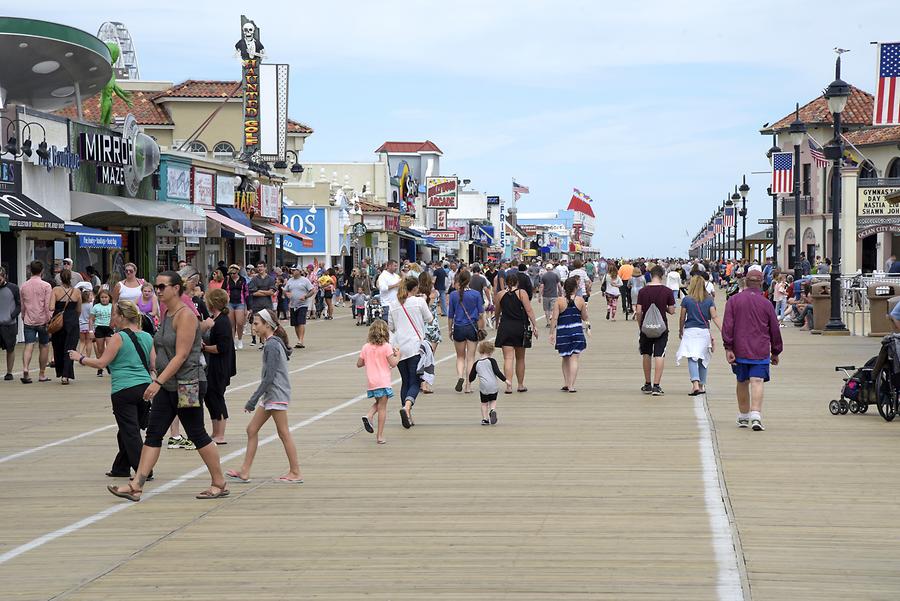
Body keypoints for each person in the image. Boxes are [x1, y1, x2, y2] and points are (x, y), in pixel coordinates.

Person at [107, 271, 228, 502]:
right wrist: (156, 373)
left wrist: (157, 382)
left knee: (197, 433)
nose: (158, 291)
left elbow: (181, 355)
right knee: (153, 433)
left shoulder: (186, 316)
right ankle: (136, 485)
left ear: (176, 288)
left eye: (162, 287)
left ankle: (219, 482)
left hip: (188, 383)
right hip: (167, 384)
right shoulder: (166, 313)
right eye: (157, 287)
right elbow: (162, 349)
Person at [69, 300, 154, 479]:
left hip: (124, 389)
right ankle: (120, 468)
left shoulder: (118, 337)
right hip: (145, 387)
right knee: (127, 430)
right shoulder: (147, 336)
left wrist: (80, 358)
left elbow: (102, 362)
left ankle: (143, 470)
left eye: (114, 314)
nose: (112, 317)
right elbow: (153, 364)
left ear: (122, 317)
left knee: (130, 431)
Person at [225, 309, 303, 484]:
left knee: (284, 433)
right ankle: (244, 471)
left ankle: (295, 472)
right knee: (251, 430)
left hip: (276, 394)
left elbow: (269, 377)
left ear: (267, 325)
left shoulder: (272, 345)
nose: (253, 327)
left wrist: (252, 400)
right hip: (271, 395)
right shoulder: (272, 343)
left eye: (256, 324)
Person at [722, 265, 783, 431]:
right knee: (757, 381)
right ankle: (756, 415)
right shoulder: (766, 304)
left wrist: (728, 347)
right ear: (762, 283)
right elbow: (774, 329)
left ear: (746, 282)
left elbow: (727, 326)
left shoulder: (733, 301)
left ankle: (743, 416)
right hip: (760, 349)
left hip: (739, 349)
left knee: (742, 381)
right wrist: (776, 351)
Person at [389, 276, 433, 429]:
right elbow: (430, 319)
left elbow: (391, 326)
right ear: (415, 288)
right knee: (416, 381)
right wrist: (427, 300)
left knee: (405, 381)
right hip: (415, 346)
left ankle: (407, 414)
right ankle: (406, 408)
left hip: (399, 347)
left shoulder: (394, 303)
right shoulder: (419, 301)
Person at [676, 276, 723, 396]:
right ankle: (701, 385)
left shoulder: (686, 299)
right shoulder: (709, 300)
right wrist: (723, 330)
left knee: (692, 357)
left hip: (690, 331)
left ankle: (695, 384)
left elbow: (682, 317)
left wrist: (680, 330)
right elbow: (714, 316)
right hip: (704, 332)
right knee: (703, 358)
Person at [494, 271, 539, 394]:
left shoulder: (500, 294)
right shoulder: (521, 293)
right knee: (520, 358)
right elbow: (529, 310)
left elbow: (497, 311)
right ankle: (520, 385)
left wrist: (496, 323)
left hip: (505, 327)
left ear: (506, 282)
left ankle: (508, 386)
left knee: (508, 358)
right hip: (520, 327)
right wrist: (535, 325)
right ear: (517, 282)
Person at [202, 288, 236, 445]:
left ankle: (220, 434)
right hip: (211, 365)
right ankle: (215, 431)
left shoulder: (222, 321)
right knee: (210, 398)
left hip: (219, 366)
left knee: (217, 397)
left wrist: (204, 347)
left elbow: (221, 347)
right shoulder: (212, 318)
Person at [635, 265, 675, 396]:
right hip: (661, 327)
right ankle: (656, 386)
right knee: (659, 354)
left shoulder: (643, 291)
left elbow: (639, 311)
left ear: (650, 275)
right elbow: (672, 311)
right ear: (662, 276)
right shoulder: (667, 291)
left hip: (646, 327)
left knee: (646, 354)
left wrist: (640, 325)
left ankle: (647, 384)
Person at [359, 320, 401, 444]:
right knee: (382, 407)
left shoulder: (366, 347)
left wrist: (368, 359)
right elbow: (393, 364)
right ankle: (379, 435)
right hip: (383, 381)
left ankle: (369, 415)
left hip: (372, 382)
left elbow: (359, 363)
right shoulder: (386, 346)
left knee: (378, 403)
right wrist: (398, 355)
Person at [550, 276, 589, 392]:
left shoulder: (559, 301)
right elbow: (584, 317)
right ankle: (571, 385)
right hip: (577, 332)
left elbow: (554, 319)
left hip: (563, 333)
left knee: (565, 358)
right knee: (574, 358)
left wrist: (551, 333)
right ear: (576, 288)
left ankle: (566, 382)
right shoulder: (580, 300)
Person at [448, 270, 484, 394]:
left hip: (458, 327)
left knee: (460, 357)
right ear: (469, 281)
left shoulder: (453, 295)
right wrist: (481, 328)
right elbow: (480, 314)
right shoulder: (476, 294)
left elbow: (450, 315)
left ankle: (460, 377)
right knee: (471, 357)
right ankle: (468, 386)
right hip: (472, 327)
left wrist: (449, 330)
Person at [20, 260, 53, 384]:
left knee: (29, 345)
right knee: (44, 346)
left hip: (29, 319)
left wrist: (23, 316)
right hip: (43, 320)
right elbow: (47, 305)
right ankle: (42, 373)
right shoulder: (46, 286)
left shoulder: (24, 286)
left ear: (30, 271)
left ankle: (25, 368)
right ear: (42, 271)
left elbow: (23, 305)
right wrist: (49, 318)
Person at [49, 269, 82, 385]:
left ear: (60, 278)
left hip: (59, 321)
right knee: (70, 348)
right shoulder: (77, 291)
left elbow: (51, 307)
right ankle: (66, 375)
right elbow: (79, 310)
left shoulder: (56, 290)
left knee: (58, 347)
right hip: (72, 320)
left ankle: (61, 371)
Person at [468, 340, 506, 425]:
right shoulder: (492, 361)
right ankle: (492, 410)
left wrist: (469, 383)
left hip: (483, 387)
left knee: (484, 403)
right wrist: (506, 380)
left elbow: (472, 376)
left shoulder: (476, 363)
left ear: (480, 350)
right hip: (493, 385)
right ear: (491, 351)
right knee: (493, 400)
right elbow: (497, 372)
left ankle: (485, 419)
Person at [418, 271, 442, 394]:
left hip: (420, 326)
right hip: (432, 326)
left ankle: (420, 382)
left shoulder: (416, 295)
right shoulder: (434, 293)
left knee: (421, 355)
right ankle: (425, 384)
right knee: (430, 357)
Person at [285, 267, 314, 347]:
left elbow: (312, 290)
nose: (292, 271)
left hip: (303, 304)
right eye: (292, 270)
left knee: (301, 322)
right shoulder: (290, 280)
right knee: (295, 324)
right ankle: (299, 340)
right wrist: (286, 294)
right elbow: (285, 291)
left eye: (294, 270)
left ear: (299, 271)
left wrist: (306, 296)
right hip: (293, 304)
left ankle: (301, 340)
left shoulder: (305, 280)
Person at [248, 262, 276, 345]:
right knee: (258, 323)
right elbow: (253, 293)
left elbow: (272, 292)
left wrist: (260, 291)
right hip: (257, 304)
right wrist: (266, 292)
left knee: (268, 323)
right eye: (258, 267)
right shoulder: (254, 279)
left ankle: (267, 341)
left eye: (261, 267)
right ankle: (262, 342)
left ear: (265, 268)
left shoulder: (270, 279)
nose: (260, 268)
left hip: (267, 304)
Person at [0, 266, 20, 380]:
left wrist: (12, 315)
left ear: (4, 277)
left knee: (10, 349)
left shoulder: (13, 288)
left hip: (9, 324)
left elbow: (19, 305)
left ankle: (9, 372)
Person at [224, 264, 249, 349]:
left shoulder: (243, 280)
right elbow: (223, 291)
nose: (232, 275)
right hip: (230, 303)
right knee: (231, 324)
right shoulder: (227, 280)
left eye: (234, 273)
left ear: (238, 272)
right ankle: (232, 341)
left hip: (240, 303)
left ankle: (240, 339)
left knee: (240, 323)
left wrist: (247, 306)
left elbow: (246, 293)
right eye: (231, 273)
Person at [90, 289, 114, 377]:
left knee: (109, 347)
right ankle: (100, 367)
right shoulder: (96, 307)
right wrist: (91, 330)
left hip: (109, 328)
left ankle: (109, 365)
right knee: (100, 349)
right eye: (102, 297)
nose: (104, 299)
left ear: (109, 298)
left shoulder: (112, 306)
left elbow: (115, 317)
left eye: (106, 297)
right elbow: (91, 319)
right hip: (99, 327)